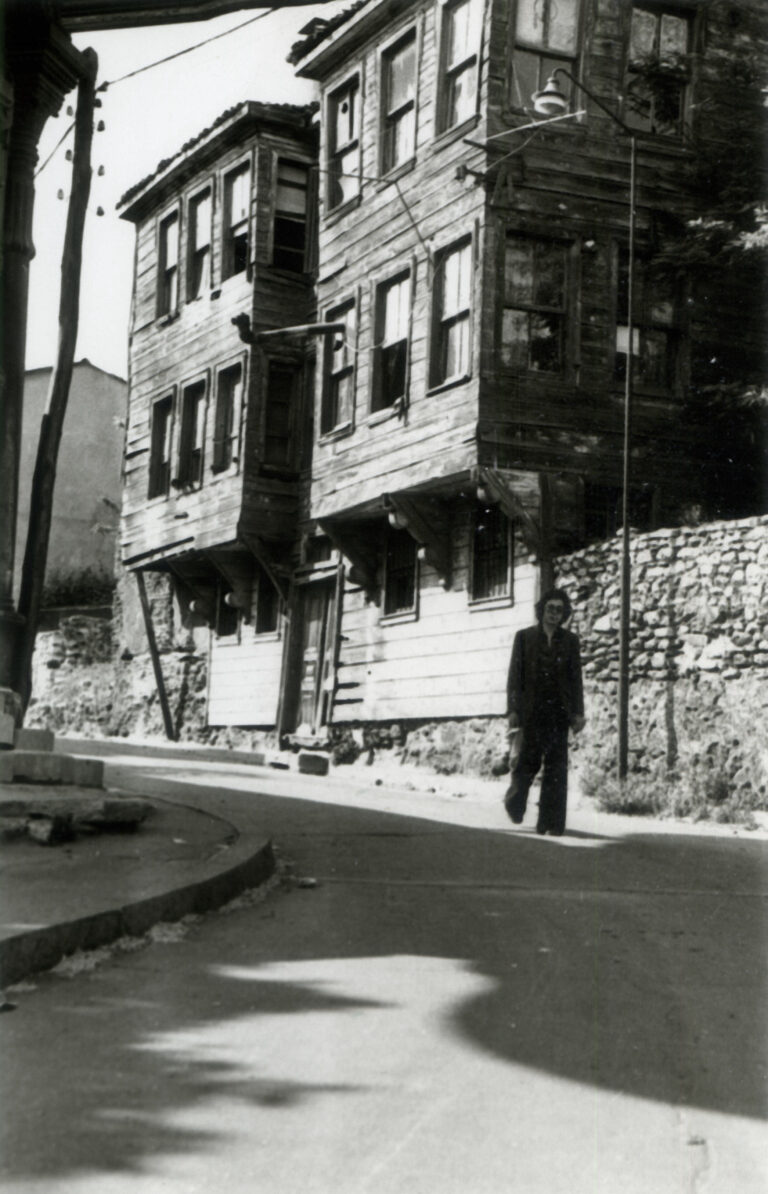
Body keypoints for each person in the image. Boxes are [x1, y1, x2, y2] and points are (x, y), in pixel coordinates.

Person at [504, 587, 585, 836]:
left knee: (556, 768)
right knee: (527, 763)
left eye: (559, 610)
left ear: (564, 614)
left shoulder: (570, 642)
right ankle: (515, 803)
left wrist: (578, 713)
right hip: (531, 713)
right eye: (550, 608)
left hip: (558, 714)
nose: (554, 614)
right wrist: (512, 710)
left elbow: (575, 680)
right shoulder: (524, 638)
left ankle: (550, 823)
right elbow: (514, 677)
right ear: (542, 610)